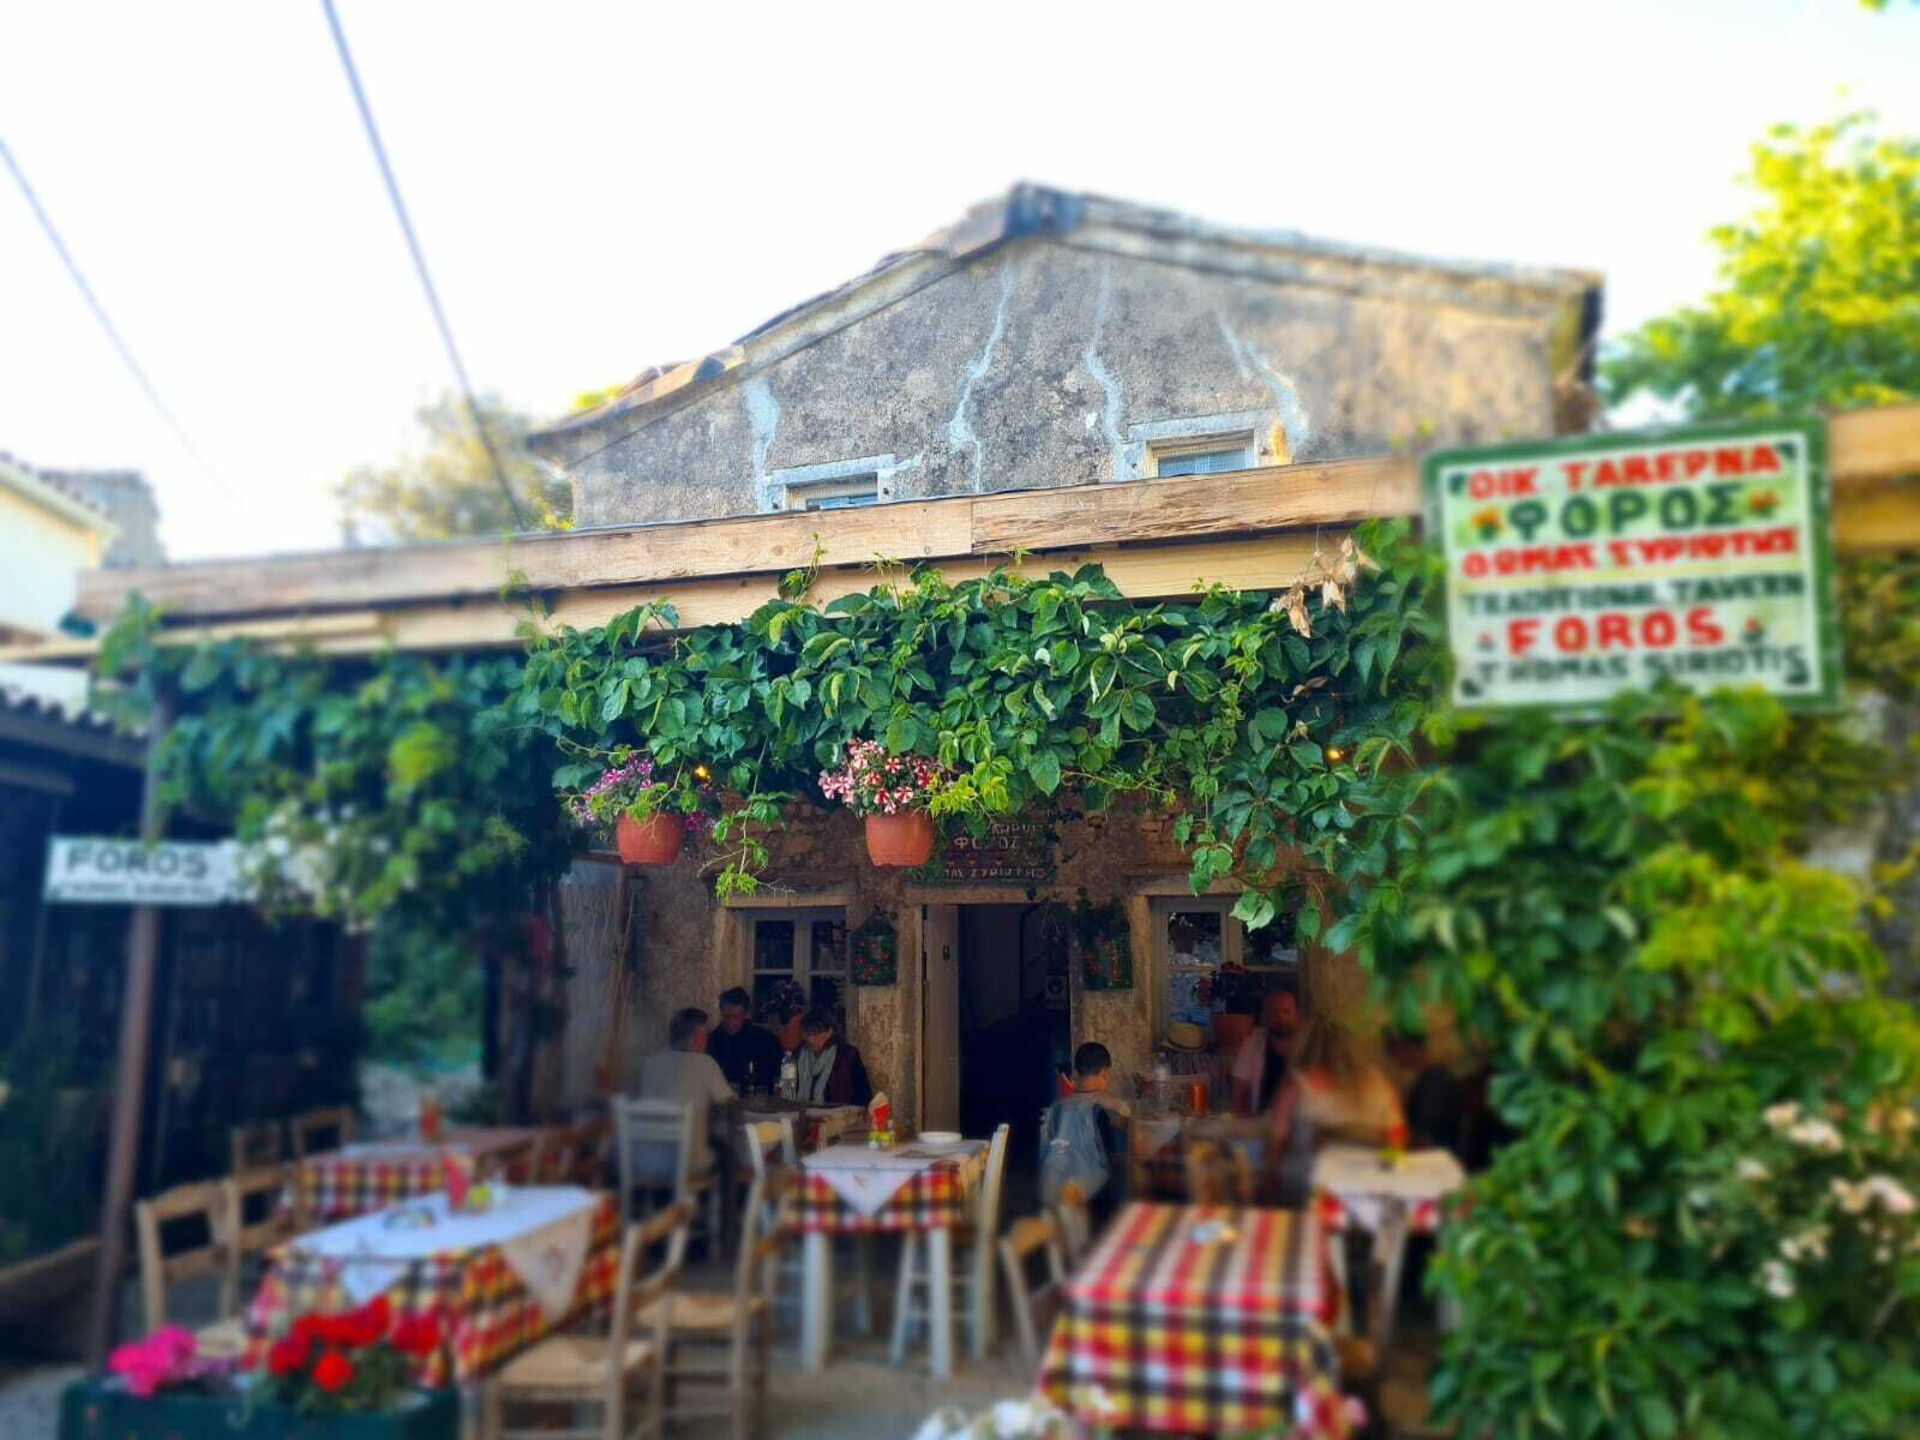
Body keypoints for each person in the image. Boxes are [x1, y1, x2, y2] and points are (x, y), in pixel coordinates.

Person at [1267, 1017, 1405, 1201]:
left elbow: (1275, 1145)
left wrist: (1270, 1184)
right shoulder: (1380, 1084)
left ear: (1305, 1044)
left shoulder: (1297, 1086)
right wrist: (1386, 1174)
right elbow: (1397, 1136)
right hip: (1369, 1189)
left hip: (1309, 1191)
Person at [636, 1006, 735, 1179]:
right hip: (687, 1162)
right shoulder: (706, 1063)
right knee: (729, 1150)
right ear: (695, 1037)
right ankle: (721, 1197)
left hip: (649, 1160)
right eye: (705, 1036)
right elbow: (729, 1102)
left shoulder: (650, 1064)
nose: (707, 1040)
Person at [1039, 1042, 1131, 1218]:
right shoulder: (1115, 1106)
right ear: (1105, 1073)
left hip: (1055, 1193)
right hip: (1094, 1197)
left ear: (1077, 1072)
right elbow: (1121, 1149)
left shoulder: (1057, 1107)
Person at [1383, 1029, 1468, 1160]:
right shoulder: (1430, 1078)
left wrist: (1383, 1142)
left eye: (1392, 1048)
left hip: (1436, 1161)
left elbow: (1424, 1140)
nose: (1389, 1056)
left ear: (1408, 1047)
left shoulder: (1435, 1083)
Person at [1230, 981, 1303, 1116]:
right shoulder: (1253, 1043)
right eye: (1274, 1012)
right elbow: (1238, 1091)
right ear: (1265, 1016)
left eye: (1286, 1011)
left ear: (1297, 1014)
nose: (1280, 1017)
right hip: (1261, 1122)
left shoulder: (1310, 1044)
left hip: (1302, 1122)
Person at [706, 986, 784, 1093]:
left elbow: (778, 1076)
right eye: (726, 1016)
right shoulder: (712, 1040)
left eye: (735, 1017)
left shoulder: (766, 1040)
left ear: (746, 1015)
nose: (730, 1022)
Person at [793, 1009, 872, 1106]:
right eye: (807, 1034)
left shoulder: (846, 1055)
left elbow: (863, 1094)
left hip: (837, 1112)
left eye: (816, 1034)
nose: (810, 1039)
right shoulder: (798, 1054)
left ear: (829, 1032)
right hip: (800, 1111)